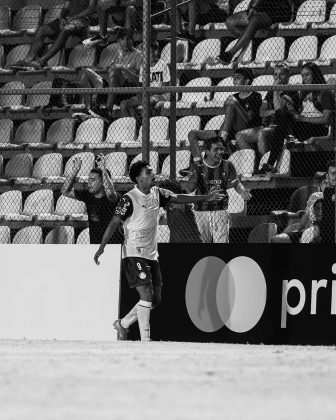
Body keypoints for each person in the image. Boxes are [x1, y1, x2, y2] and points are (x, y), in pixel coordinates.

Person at [94, 160, 224, 341]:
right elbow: (114, 222)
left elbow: (179, 197)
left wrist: (205, 197)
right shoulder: (129, 199)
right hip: (133, 252)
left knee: (154, 300)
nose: (153, 173)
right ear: (139, 179)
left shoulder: (158, 193)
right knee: (146, 294)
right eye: (148, 172)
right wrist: (101, 248)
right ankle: (146, 340)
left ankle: (122, 324)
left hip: (151, 254)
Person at [258, 62, 335, 174]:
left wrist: (302, 118)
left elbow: (326, 119)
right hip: (303, 127)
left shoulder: (324, 92)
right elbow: (263, 112)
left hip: (318, 128)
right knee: (282, 115)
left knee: (281, 122)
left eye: (307, 75)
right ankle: (272, 161)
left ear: (315, 75)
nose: (304, 78)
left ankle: (270, 163)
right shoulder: (303, 92)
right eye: (302, 75)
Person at [184, 135, 252, 242]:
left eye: (221, 149)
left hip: (220, 210)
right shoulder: (198, 167)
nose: (220, 152)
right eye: (216, 149)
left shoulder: (228, 165)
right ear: (207, 151)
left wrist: (242, 191)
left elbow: (236, 183)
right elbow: (189, 188)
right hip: (200, 212)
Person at [11, 0, 98, 69]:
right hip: (69, 19)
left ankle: (41, 61)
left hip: (83, 21)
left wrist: (74, 17)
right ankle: (28, 60)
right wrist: (62, 18)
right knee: (42, 29)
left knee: (66, 29)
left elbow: (91, 9)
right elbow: (66, 7)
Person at [79, 28, 143, 120]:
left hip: (129, 90)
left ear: (132, 40)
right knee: (86, 72)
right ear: (118, 41)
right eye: (122, 39)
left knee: (115, 71)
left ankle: (108, 110)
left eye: (127, 39)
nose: (125, 42)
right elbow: (110, 70)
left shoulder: (139, 55)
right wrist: (110, 68)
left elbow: (139, 81)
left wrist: (123, 69)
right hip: (113, 89)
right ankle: (88, 109)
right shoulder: (119, 53)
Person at [61, 154, 123, 244]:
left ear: (103, 182)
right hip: (95, 245)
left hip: (114, 246)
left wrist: (103, 170)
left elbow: (110, 192)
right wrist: (74, 171)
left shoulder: (114, 198)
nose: (89, 183)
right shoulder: (88, 195)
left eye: (93, 180)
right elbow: (65, 191)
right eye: (88, 179)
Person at [256, 64, 300, 173]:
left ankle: (267, 164)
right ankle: (265, 163)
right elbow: (261, 112)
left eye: (282, 74)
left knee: (263, 133)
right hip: (274, 126)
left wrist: (276, 91)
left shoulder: (291, 90)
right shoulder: (270, 92)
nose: (278, 77)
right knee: (240, 135)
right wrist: (272, 111)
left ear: (288, 76)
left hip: (289, 124)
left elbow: (279, 108)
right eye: (275, 74)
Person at [220, 0, 292, 63]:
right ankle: (246, 45)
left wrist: (253, 7)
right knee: (230, 22)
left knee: (254, 19)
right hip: (261, 8)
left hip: (278, 11)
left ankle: (231, 53)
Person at [119, 41, 170, 117]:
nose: (151, 55)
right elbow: (142, 85)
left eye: (152, 52)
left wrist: (148, 92)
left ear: (156, 52)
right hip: (146, 94)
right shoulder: (143, 67)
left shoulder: (163, 65)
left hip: (159, 95)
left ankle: (148, 126)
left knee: (147, 103)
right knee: (123, 104)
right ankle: (134, 125)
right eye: (147, 53)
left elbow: (164, 88)